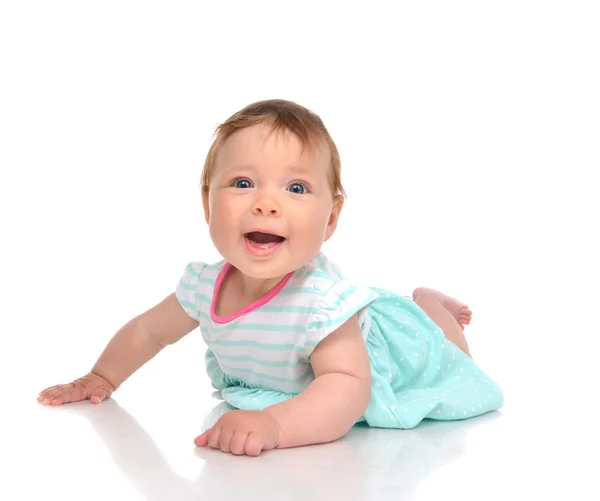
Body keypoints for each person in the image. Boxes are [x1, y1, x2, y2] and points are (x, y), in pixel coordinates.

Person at [38, 99, 503, 457]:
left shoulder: (322, 303)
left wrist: (276, 425)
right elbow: (147, 332)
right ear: (206, 203)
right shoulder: (205, 287)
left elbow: (346, 388)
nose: (266, 203)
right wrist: (101, 375)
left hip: (396, 354)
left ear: (331, 219)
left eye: (296, 188)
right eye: (243, 184)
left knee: (449, 352)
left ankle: (429, 305)